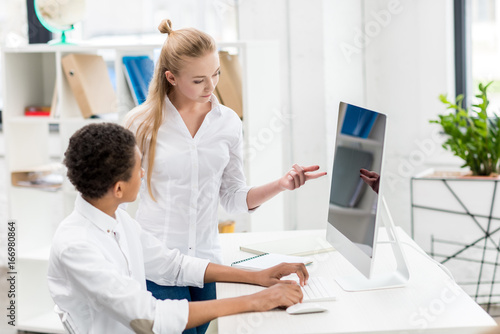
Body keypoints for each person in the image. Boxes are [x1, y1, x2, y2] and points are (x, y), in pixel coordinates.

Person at [124, 19, 326, 333]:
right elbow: (118, 201)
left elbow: (232, 197)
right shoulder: (140, 123)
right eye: (199, 80)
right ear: (171, 77)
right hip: (157, 266)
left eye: (216, 73)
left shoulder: (227, 122)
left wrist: (281, 184)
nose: (211, 86)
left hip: (207, 264)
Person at [47, 123, 308, 334]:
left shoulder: (119, 220)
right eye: (139, 167)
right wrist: (256, 301)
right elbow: (149, 318)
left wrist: (257, 276)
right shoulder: (76, 246)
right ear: (118, 188)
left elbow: (174, 266)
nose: (143, 173)